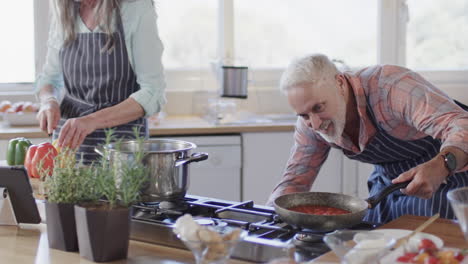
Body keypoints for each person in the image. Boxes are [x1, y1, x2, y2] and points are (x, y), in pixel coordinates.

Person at [267, 54, 468, 224]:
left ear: (339, 83)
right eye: (303, 115)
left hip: (449, 173)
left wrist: (442, 165)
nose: (315, 124)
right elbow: (296, 179)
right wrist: (269, 216)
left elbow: (462, 125)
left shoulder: (390, 87)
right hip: (388, 184)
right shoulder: (310, 121)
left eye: (319, 108)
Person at [36, 0, 166, 163]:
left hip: (122, 149)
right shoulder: (65, 10)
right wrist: (48, 101)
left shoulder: (135, 8)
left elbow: (152, 92)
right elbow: (50, 79)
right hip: (68, 148)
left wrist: (92, 120)